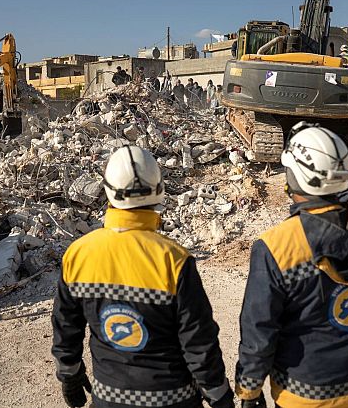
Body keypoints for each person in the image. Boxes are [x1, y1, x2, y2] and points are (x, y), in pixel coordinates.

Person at [52, 145, 233, 408]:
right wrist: (219, 395)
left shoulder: (78, 255)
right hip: (174, 400)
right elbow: (198, 341)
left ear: (107, 191)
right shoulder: (174, 260)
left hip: (108, 400)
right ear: (159, 190)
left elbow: (66, 327)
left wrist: (69, 374)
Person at [235, 122, 348, 408]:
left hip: (301, 397)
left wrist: (249, 392)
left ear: (292, 177)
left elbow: (259, 330)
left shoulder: (276, 246)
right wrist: (331, 159)